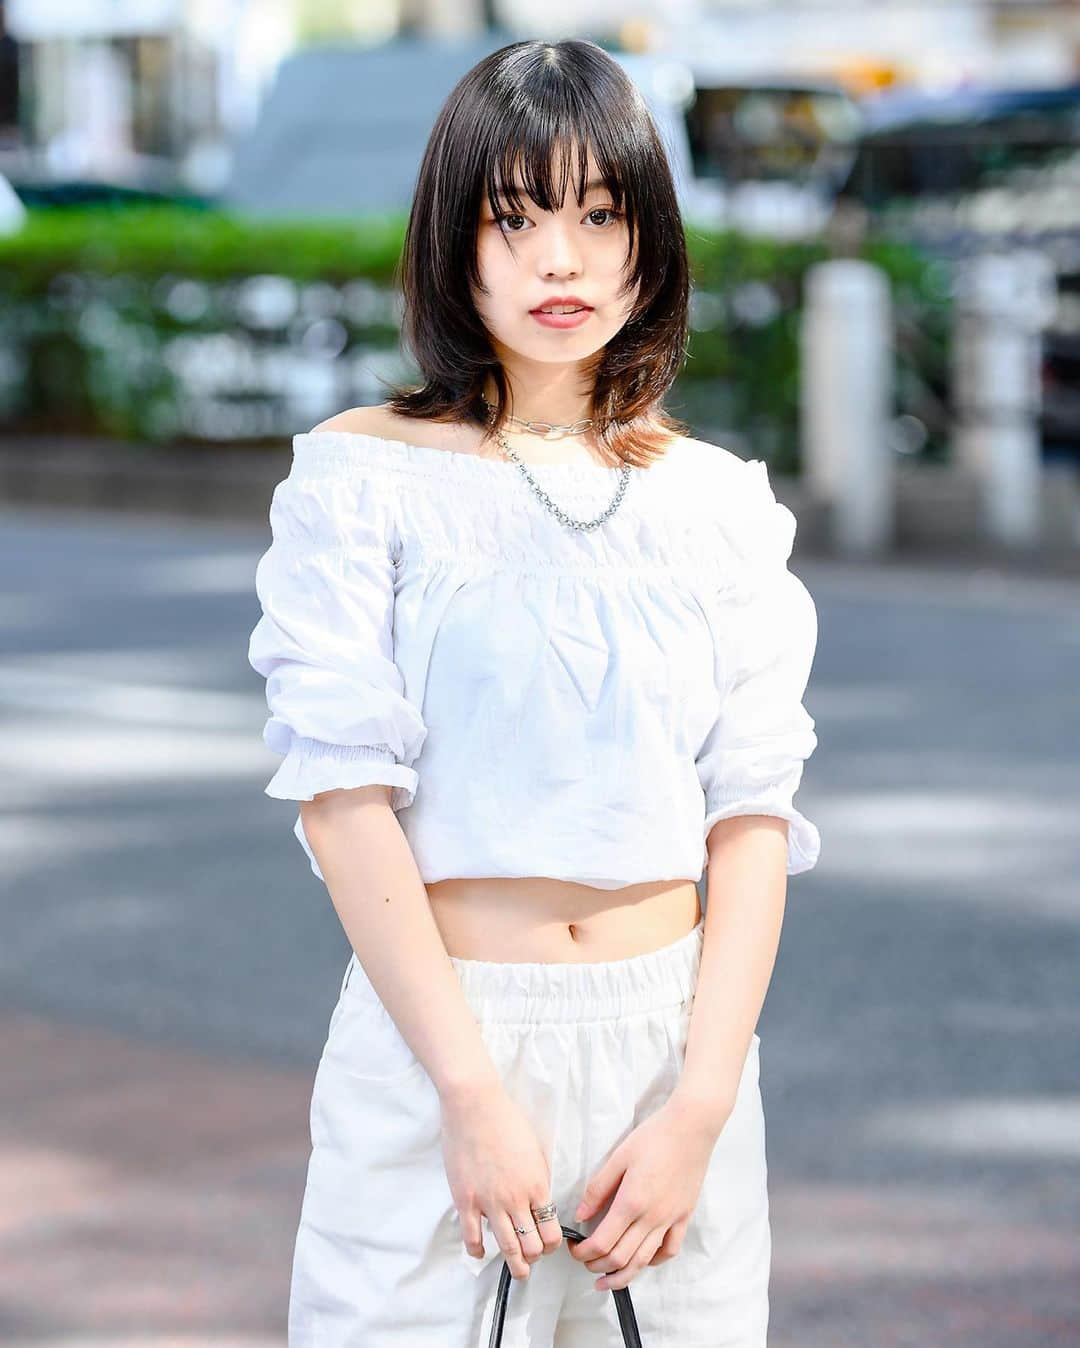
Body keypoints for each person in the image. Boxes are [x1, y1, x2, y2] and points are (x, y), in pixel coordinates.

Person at [247, 36, 821, 1348]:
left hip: (673, 1062)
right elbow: (345, 799)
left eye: (598, 214)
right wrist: (469, 1091)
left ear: (648, 239)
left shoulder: (718, 499)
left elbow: (752, 818)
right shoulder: (361, 480)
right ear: (456, 242)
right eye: (515, 219)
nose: (559, 259)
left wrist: (699, 1111)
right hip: (444, 1038)